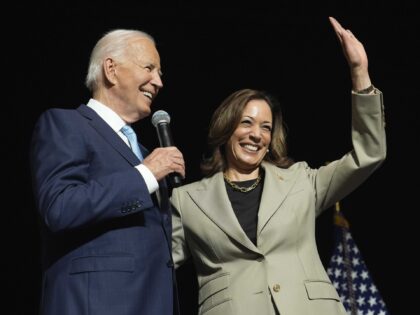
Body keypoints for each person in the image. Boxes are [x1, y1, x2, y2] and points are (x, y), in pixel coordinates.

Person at [170, 16, 386, 315]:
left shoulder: (302, 182)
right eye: (246, 122)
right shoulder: (188, 200)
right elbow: (155, 261)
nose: (256, 135)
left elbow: (369, 154)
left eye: (266, 127)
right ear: (226, 128)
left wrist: (359, 72)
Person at [30, 29, 185, 315]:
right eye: (149, 68)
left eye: (160, 73)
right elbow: (60, 206)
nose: (159, 82)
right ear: (111, 69)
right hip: (98, 303)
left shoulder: (142, 150)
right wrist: (146, 175)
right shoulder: (66, 124)